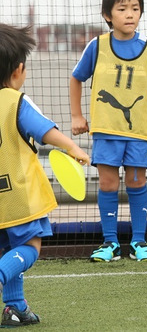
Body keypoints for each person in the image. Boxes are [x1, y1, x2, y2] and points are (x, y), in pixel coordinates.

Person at [70, 0, 147, 262]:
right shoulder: (96, 46)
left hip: (140, 134)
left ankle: (139, 242)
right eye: (122, 9)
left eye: (135, 8)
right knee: (108, 184)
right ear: (108, 15)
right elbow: (76, 77)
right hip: (106, 132)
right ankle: (109, 243)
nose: (130, 14)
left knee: (137, 182)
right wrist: (76, 115)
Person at [0, 24, 90, 326]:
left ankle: (14, 308)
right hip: (19, 196)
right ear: (18, 70)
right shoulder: (16, 102)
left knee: (7, 248)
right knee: (29, 247)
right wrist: (73, 148)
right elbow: (45, 132)